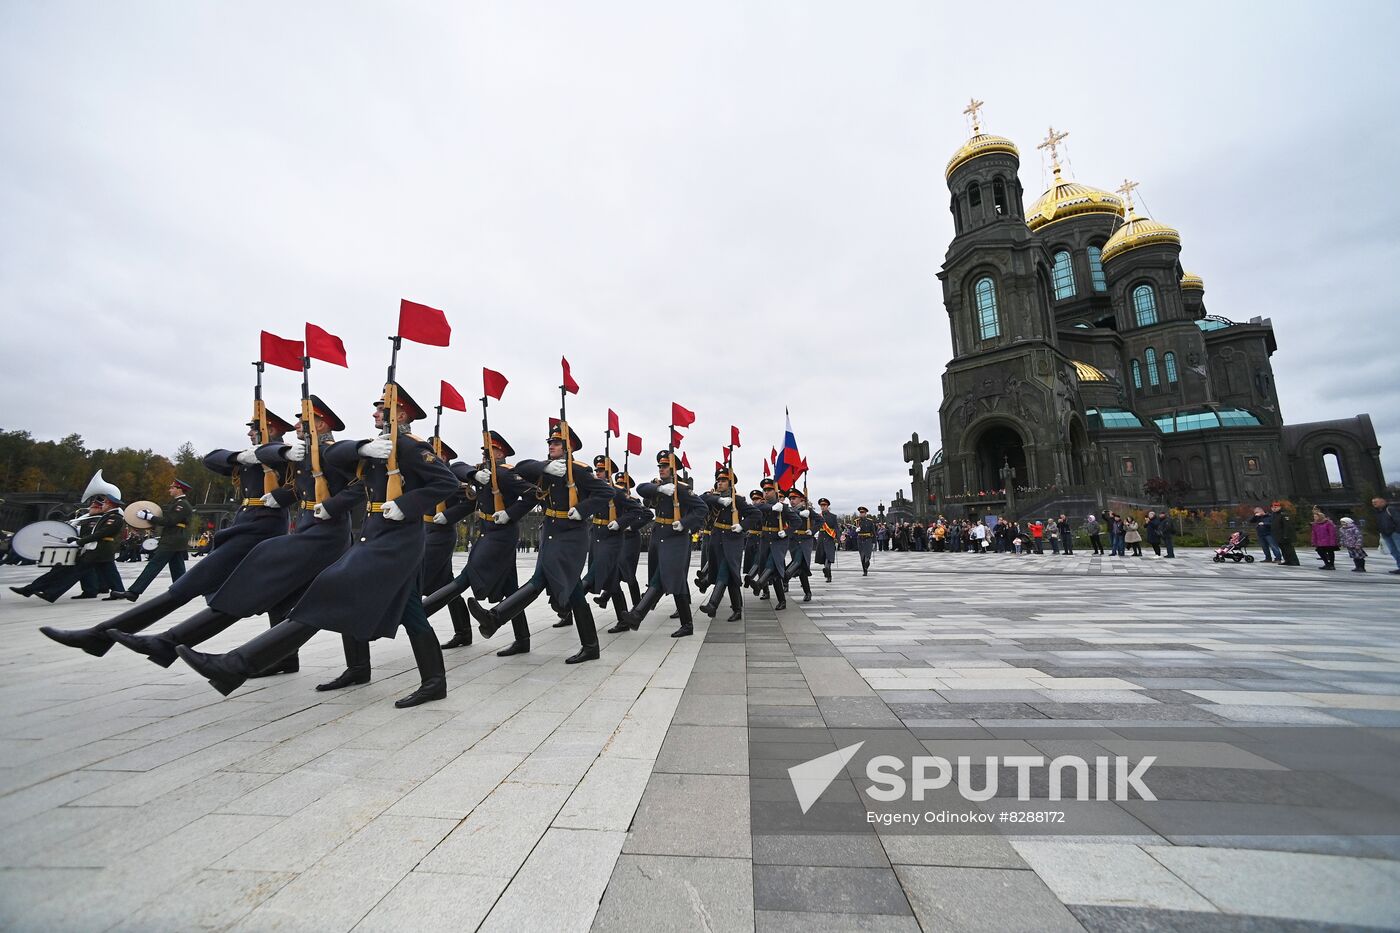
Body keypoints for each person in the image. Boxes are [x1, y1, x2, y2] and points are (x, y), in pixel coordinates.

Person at [176, 383, 459, 707]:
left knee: (328, 591)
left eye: (382, 409)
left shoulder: (410, 447)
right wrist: (364, 449)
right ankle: (429, 680)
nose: (375, 413)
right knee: (411, 614)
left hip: (396, 543)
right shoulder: (380, 446)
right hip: (377, 537)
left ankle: (236, 665)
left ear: (400, 413)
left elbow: (447, 482)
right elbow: (331, 454)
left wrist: (409, 504)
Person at [106, 398, 360, 679]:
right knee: (310, 600)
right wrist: (282, 493)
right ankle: (322, 663)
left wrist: (357, 460)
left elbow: (360, 480)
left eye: (303, 420)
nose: (297, 424)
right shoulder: (299, 454)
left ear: (321, 424)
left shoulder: (329, 452)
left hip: (325, 536)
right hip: (308, 531)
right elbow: (298, 484)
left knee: (261, 580)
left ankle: (175, 643)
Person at [38, 412, 296, 654]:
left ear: (269, 429)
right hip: (247, 524)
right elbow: (211, 458)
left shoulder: (282, 455)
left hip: (261, 527)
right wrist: (240, 458)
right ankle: (282, 656)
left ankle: (101, 636)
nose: (250, 434)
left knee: (190, 583)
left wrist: (273, 457)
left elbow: (281, 458)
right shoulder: (250, 457)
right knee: (271, 592)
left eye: (254, 429)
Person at [466, 423, 612, 661]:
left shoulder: (580, 471)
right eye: (550, 443)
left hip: (570, 535)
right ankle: (590, 645)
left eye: (556, 443)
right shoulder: (545, 469)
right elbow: (522, 467)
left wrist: (583, 509)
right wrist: (546, 466)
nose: (551, 446)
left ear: (569, 447)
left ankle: (496, 617)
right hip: (551, 533)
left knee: (549, 582)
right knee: (564, 586)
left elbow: (606, 493)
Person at [424, 431, 538, 655]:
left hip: (501, 533)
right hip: (488, 531)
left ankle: (421, 611)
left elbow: (533, 495)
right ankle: (522, 639)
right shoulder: (483, 472)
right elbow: (457, 467)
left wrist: (510, 513)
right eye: (485, 450)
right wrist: (474, 474)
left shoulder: (506, 474)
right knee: (510, 589)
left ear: (501, 452)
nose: (486, 454)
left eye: (491, 450)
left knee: (468, 575)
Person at [13, 495, 127, 603]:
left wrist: (78, 542)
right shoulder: (107, 516)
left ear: (111, 505)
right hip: (100, 550)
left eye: (105, 503)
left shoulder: (114, 518)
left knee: (73, 572)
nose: (103, 505)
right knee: (110, 572)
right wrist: (72, 539)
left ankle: (50, 593)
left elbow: (101, 534)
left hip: (99, 550)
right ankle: (119, 591)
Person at [580, 459, 649, 634]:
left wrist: (620, 523)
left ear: (608, 473)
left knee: (594, 573)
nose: (598, 473)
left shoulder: (617, 492)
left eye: (602, 471)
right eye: (597, 470)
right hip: (596, 535)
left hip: (612, 538)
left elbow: (638, 511)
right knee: (612, 582)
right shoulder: (594, 490)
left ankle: (567, 603)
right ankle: (623, 620)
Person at [419, 437, 474, 648]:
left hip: (441, 534)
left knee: (419, 575)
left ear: (443, 457)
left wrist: (449, 515)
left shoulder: (450, 478)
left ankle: (417, 622)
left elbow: (472, 500)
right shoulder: (425, 475)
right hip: (424, 529)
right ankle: (463, 632)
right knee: (446, 585)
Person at [698, 467, 761, 621]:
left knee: (725, 571)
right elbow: (701, 499)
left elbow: (756, 514)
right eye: (718, 480)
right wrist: (718, 499)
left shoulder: (737, 500)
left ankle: (713, 604)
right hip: (717, 539)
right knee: (731, 577)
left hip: (733, 540)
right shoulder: (713, 497)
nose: (719, 483)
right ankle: (737, 610)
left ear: (730, 483)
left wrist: (742, 526)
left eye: (723, 480)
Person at [120, 479, 195, 599]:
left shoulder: (181, 504)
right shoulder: (178, 503)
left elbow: (169, 521)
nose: (170, 490)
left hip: (172, 539)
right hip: (175, 538)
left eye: (172, 488)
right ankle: (183, 591)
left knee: (154, 565)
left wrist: (149, 517)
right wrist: (150, 516)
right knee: (177, 567)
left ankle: (134, 592)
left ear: (179, 489)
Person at [781, 488, 819, 602]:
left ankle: (784, 577)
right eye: (790, 498)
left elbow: (820, 521)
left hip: (805, 540)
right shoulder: (789, 510)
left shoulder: (808, 510)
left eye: (794, 498)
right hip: (793, 541)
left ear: (801, 499)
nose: (791, 501)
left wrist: (812, 530)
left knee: (797, 561)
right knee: (802, 568)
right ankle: (808, 592)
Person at [1373, 496, 1400, 574]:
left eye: (1376, 502)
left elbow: (1398, 520)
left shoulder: (1390, 509)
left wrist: (1397, 531)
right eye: (1373, 502)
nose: (1374, 504)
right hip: (1385, 534)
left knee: (1398, 549)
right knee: (1393, 551)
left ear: (1383, 502)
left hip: (1394, 533)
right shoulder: (1378, 512)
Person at [814, 497, 838, 582]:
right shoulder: (818, 516)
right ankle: (827, 573)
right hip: (821, 539)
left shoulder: (833, 516)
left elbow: (836, 528)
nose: (823, 507)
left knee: (829, 558)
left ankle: (828, 573)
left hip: (829, 539)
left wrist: (837, 538)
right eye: (821, 505)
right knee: (824, 558)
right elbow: (815, 527)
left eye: (824, 505)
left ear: (827, 506)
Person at [1271, 501, 1300, 566]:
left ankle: (1294, 561)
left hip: (1285, 535)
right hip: (1278, 535)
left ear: (1279, 507)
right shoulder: (1274, 515)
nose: (1274, 508)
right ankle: (1287, 560)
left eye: (1276, 507)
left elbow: (1287, 526)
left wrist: (1286, 535)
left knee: (1289, 549)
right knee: (1283, 549)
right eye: (1272, 507)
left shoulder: (1283, 514)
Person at [854, 506, 876, 575]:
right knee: (862, 556)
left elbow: (873, 532)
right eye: (860, 512)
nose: (861, 514)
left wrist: (874, 542)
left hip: (868, 539)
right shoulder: (857, 521)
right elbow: (856, 531)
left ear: (865, 513)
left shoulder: (870, 521)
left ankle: (867, 562)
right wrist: (856, 530)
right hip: (860, 540)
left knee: (867, 554)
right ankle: (865, 570)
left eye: (862, 512)